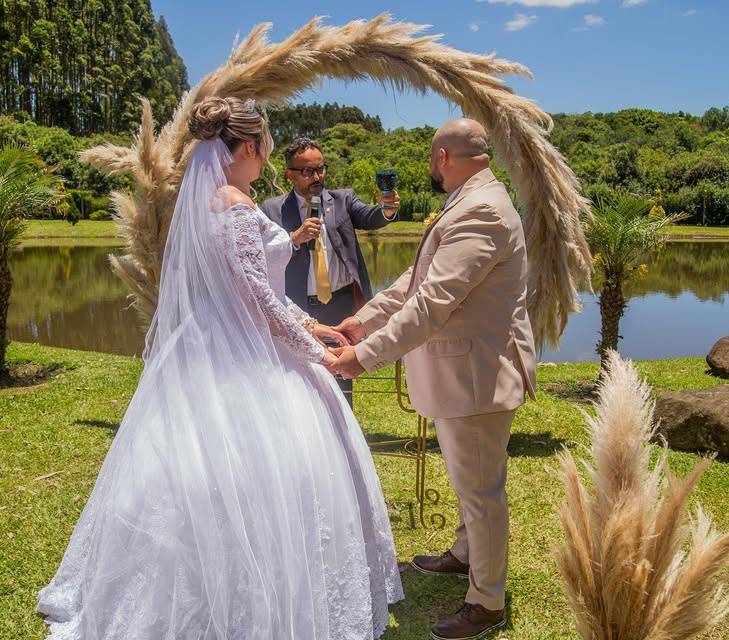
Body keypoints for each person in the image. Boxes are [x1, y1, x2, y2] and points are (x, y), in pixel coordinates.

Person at [37, 96, 402, 639]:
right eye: (267, 149)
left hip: (214, 343)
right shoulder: (233, 202)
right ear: (249, 146)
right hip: (247, 354)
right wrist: (318, 355)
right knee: (267, 472)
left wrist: (310, 325)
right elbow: (255, 297)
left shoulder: (208, 198)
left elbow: (252, 292)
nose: (268, 161)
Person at [330, 118, 537, 640]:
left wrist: (364, 355)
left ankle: (487, 602)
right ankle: (467, 555)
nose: (429, 166)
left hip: (478, 376)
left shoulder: (483, 211)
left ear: (443, 157)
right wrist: (366, 318)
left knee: (482, 490)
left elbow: (432, 302)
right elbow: (414, 281)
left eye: (430, 157)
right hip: (466, 373)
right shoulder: (470, 201)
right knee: (469, 480)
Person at [262, 138, 400, 402]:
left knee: (341, 377)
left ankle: (344, 436)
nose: (317, 176)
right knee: (299, 379)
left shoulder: (342, 200)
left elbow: (371, 217)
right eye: (307, 171)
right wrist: (293, 239)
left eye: (321, 169)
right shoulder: (272, 209)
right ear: (289, 174)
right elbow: (262, 256)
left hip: (340, 304)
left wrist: (388, 209)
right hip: (298, 308)